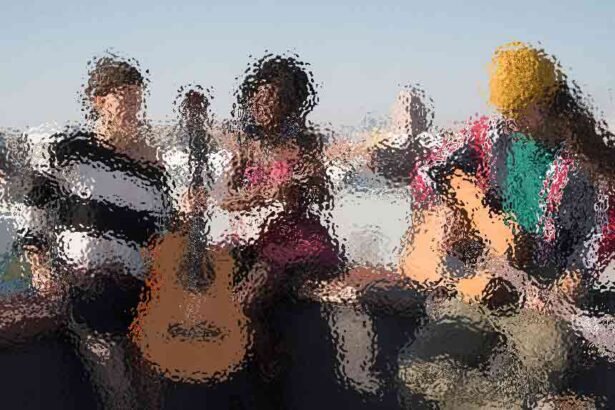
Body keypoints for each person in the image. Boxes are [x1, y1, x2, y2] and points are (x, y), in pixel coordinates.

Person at [397, 41, 614, 408]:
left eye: (518, 109)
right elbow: (429, 169)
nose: (509, 118)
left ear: (545, 103)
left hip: (544, 294)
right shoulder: (490, 135)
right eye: (505, 109)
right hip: (486, 280)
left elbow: (601, 233)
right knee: (417, 371)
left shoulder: (587, 162)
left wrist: (566, 287)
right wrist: (479, 209)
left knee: (542, 361)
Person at [1, 55, 173, 409]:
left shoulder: (151, 170)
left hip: (140, 296)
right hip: (87, 294)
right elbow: (34, 207)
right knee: (119, 392)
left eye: (136, 99)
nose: (131, 107)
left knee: (153, 392)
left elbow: (160, 234)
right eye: (123, 98)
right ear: (98, 101)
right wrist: (39, 264)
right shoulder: (71, 152)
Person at [220, 54, 346, 406]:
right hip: (252, 238)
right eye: (256, 98)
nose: (260, 106)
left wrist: (303, 186)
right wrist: (264, 193)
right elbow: (227, 199)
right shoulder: (246, 145)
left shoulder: (305, 144)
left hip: (294, 241)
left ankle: (271, 367)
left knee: (243, 303)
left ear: (289, 104)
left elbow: (324, 196)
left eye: (270, 99)